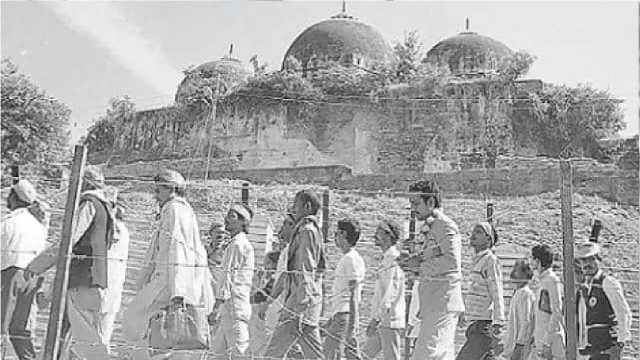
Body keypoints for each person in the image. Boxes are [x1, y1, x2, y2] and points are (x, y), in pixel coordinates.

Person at [27, 166, 118, 359]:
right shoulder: (106, 208)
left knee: (86, 341)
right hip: (91, 278)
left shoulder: (89, 204)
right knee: (68, 337)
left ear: (83, 183)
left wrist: (36, 266)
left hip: (82, 279)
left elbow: (68, 240)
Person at [122, 169, 214, 360]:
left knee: (137, 320)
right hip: (172, 279)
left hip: (169, 280)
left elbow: (177, 248)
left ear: (171, 189)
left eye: (158, 190)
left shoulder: (174, 209)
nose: (155, 196)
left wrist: (178, 292)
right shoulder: (180, 209)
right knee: (157, 329)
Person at [399, 180, 464, 360]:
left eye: (416, 203)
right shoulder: (430, 225)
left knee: (425, 354)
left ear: (431, 202)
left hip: (443, 301)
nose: (412, 209)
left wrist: (418, 266)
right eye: (411, 204)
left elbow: (452, 263)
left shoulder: (445, 225)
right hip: (432, 302)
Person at [263, 190, 326, 360]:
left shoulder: (306, 231)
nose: (293, 208)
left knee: (272, 354)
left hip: (298, 303)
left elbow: (305, 267)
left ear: (307, 206)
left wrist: (301, 302)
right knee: (314, 355)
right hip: (304, 303)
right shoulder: (310, 230)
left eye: (296, 205)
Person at [1, 180, 48, 360]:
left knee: (1, 326)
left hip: (10, 274)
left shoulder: (9, 222)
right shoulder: (38, 225)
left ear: (14, 198)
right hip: (32, 277)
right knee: (19, 328)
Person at [211, 203, 255, 359]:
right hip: (230, 308)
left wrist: (217, 306)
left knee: (240, 352)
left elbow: (228, 276)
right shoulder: (236, 243)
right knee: (217, 353)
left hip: (234, 307)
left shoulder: (237, 244)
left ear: (243, 222)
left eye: (232, 216)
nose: (226, 219)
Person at [456, 222, 505, 360]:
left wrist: (498, 322)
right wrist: (464, 313)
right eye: (473, 231)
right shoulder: (477, 261)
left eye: (478, 231)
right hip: (474, 325)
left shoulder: (490, 260)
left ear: (488, 239)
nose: (473, 235)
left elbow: (496, 292)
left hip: (483, 326)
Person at [575, 241, 631, 360]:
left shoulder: (607, 282)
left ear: (598, 259)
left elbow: (623, 312)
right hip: (594, 347)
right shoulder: (586, 286)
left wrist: (620, 343)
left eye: (590, 259)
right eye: (583, 261)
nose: (586, 264)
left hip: (607, 346)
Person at [363, 219, 406, 360]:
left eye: (379, 232)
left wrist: (375, 319)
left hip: (389, 320)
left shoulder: (393, 259)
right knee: (363, 356)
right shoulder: (386, 258)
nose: (375, 235)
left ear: (388, 235)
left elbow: (390, 294)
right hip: (383, 320)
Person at [323, 218, 366, 360]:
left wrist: (352, 323)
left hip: (344, 315)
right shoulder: (351, 258)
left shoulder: (350, 259)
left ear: (343, 234)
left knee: (331, 353)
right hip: (342, 314)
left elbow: (353, 293)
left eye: (337, 233)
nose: (335, 236)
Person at [529, 244, 565, 360]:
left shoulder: (551, 280)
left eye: (532, 258)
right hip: (540, 342)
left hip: (551, 344)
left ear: (538, 261)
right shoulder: (541, 281)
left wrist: (547, 342)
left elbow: (557, 311)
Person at [503, 259, 535, 360]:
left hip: (519, 347)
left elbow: (526, 322)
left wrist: (519, 345)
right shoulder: (518, 292)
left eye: (517, 271)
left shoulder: (524, 294)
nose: (513, 273)